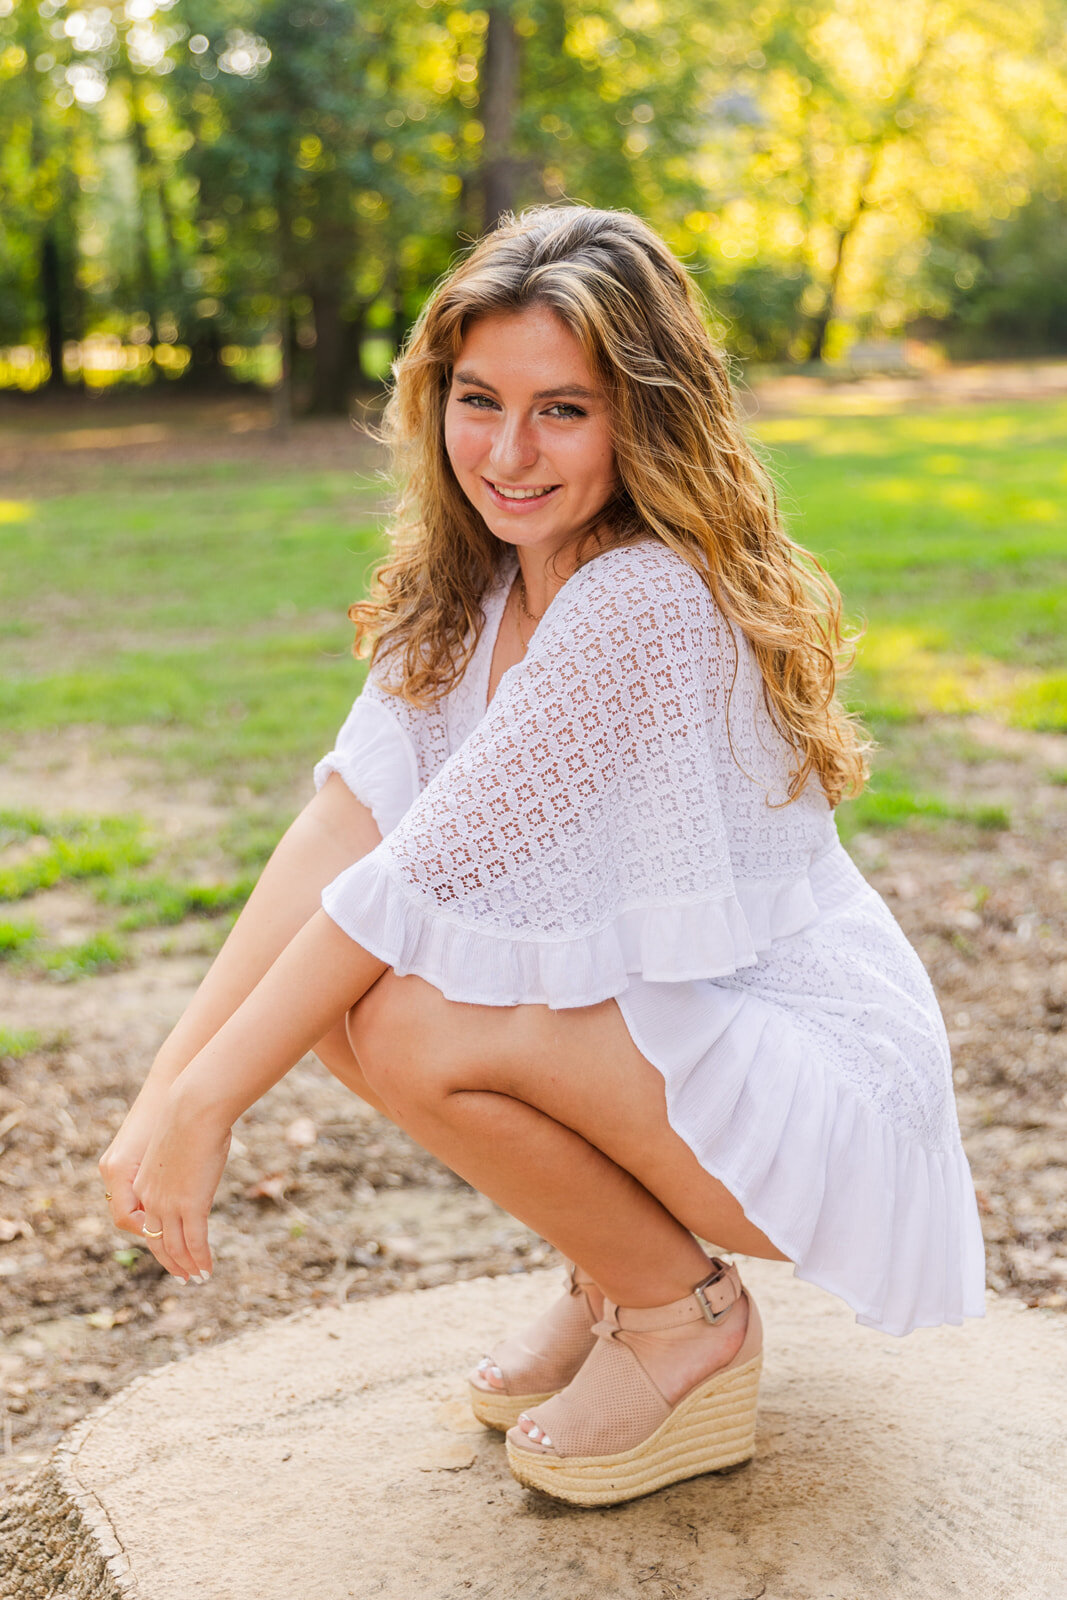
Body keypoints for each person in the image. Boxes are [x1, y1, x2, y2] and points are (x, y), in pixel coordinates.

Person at [100, 203, 987, 1509]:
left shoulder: (638, 595)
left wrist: (212, 1105)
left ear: (646, 413)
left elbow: (406, 894)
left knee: (400, 1014)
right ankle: (610, 1274)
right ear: (433, 396)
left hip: (811, 1067)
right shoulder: (475, 582)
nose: (509, 453)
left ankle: (680, 1315)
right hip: (674, 1036)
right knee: (351, 1005)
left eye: (564, 410)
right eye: (479, 399)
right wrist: (165, 1093)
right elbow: (344, 824)